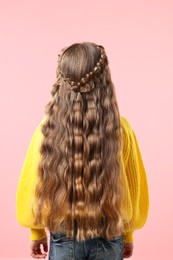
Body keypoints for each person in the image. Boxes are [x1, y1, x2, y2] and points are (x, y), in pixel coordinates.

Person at [16, 42, 149, 260]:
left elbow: (32, 184)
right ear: (104, 81)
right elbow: (134, 189)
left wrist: (36, 231)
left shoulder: (46, 129)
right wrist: (129, 234)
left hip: (62, 236)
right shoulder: (121, 129)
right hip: (110, 234)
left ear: (61, 81)